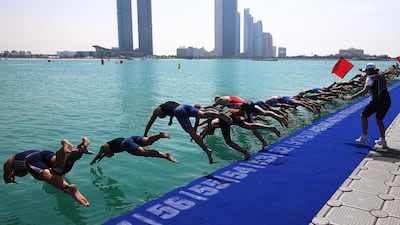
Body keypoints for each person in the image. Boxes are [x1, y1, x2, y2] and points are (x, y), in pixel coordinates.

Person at [3, 138, 92, 207]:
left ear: (14, 171)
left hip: (30, 160)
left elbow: (7, 176)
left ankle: (68, 188)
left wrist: (8, 179)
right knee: (59, 162)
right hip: (42, 153)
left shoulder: (11, 164)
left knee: (45, 176)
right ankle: (78, 148)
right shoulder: (18, 157)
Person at [143, 101, 233, 164]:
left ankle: (206, 150)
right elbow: (170, 109)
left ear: (160, 114)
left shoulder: (156, 111)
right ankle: (218, 115)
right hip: (184, 106)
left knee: (192, 133)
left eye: (162, 116)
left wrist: (145, 134)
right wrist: (171, 119)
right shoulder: (165, 105)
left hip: (179, 112)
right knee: (203, 114)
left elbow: (150, 122)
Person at [344, 63, 391, 147]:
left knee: (363, 116)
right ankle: (383, 140)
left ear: (369, 71)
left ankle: (364, 136)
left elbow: (365, 91)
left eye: (366, 70)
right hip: (386, 100)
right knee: (379, 119)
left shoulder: (370, 79)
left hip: (377, 101)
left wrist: (352, 97)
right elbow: (374, 73)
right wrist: (362, 70)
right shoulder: (380, 75)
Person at [90, 131, 178, 165]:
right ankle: (160, 135)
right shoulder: (109, 147)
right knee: (148, 141)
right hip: (131, 139)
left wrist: (93, 161)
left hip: (126, 144)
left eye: (109, 155)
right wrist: (98, 160)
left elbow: (99, 154)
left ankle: (165, 155)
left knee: (145, 153)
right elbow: (102, 155)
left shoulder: (104, 147)